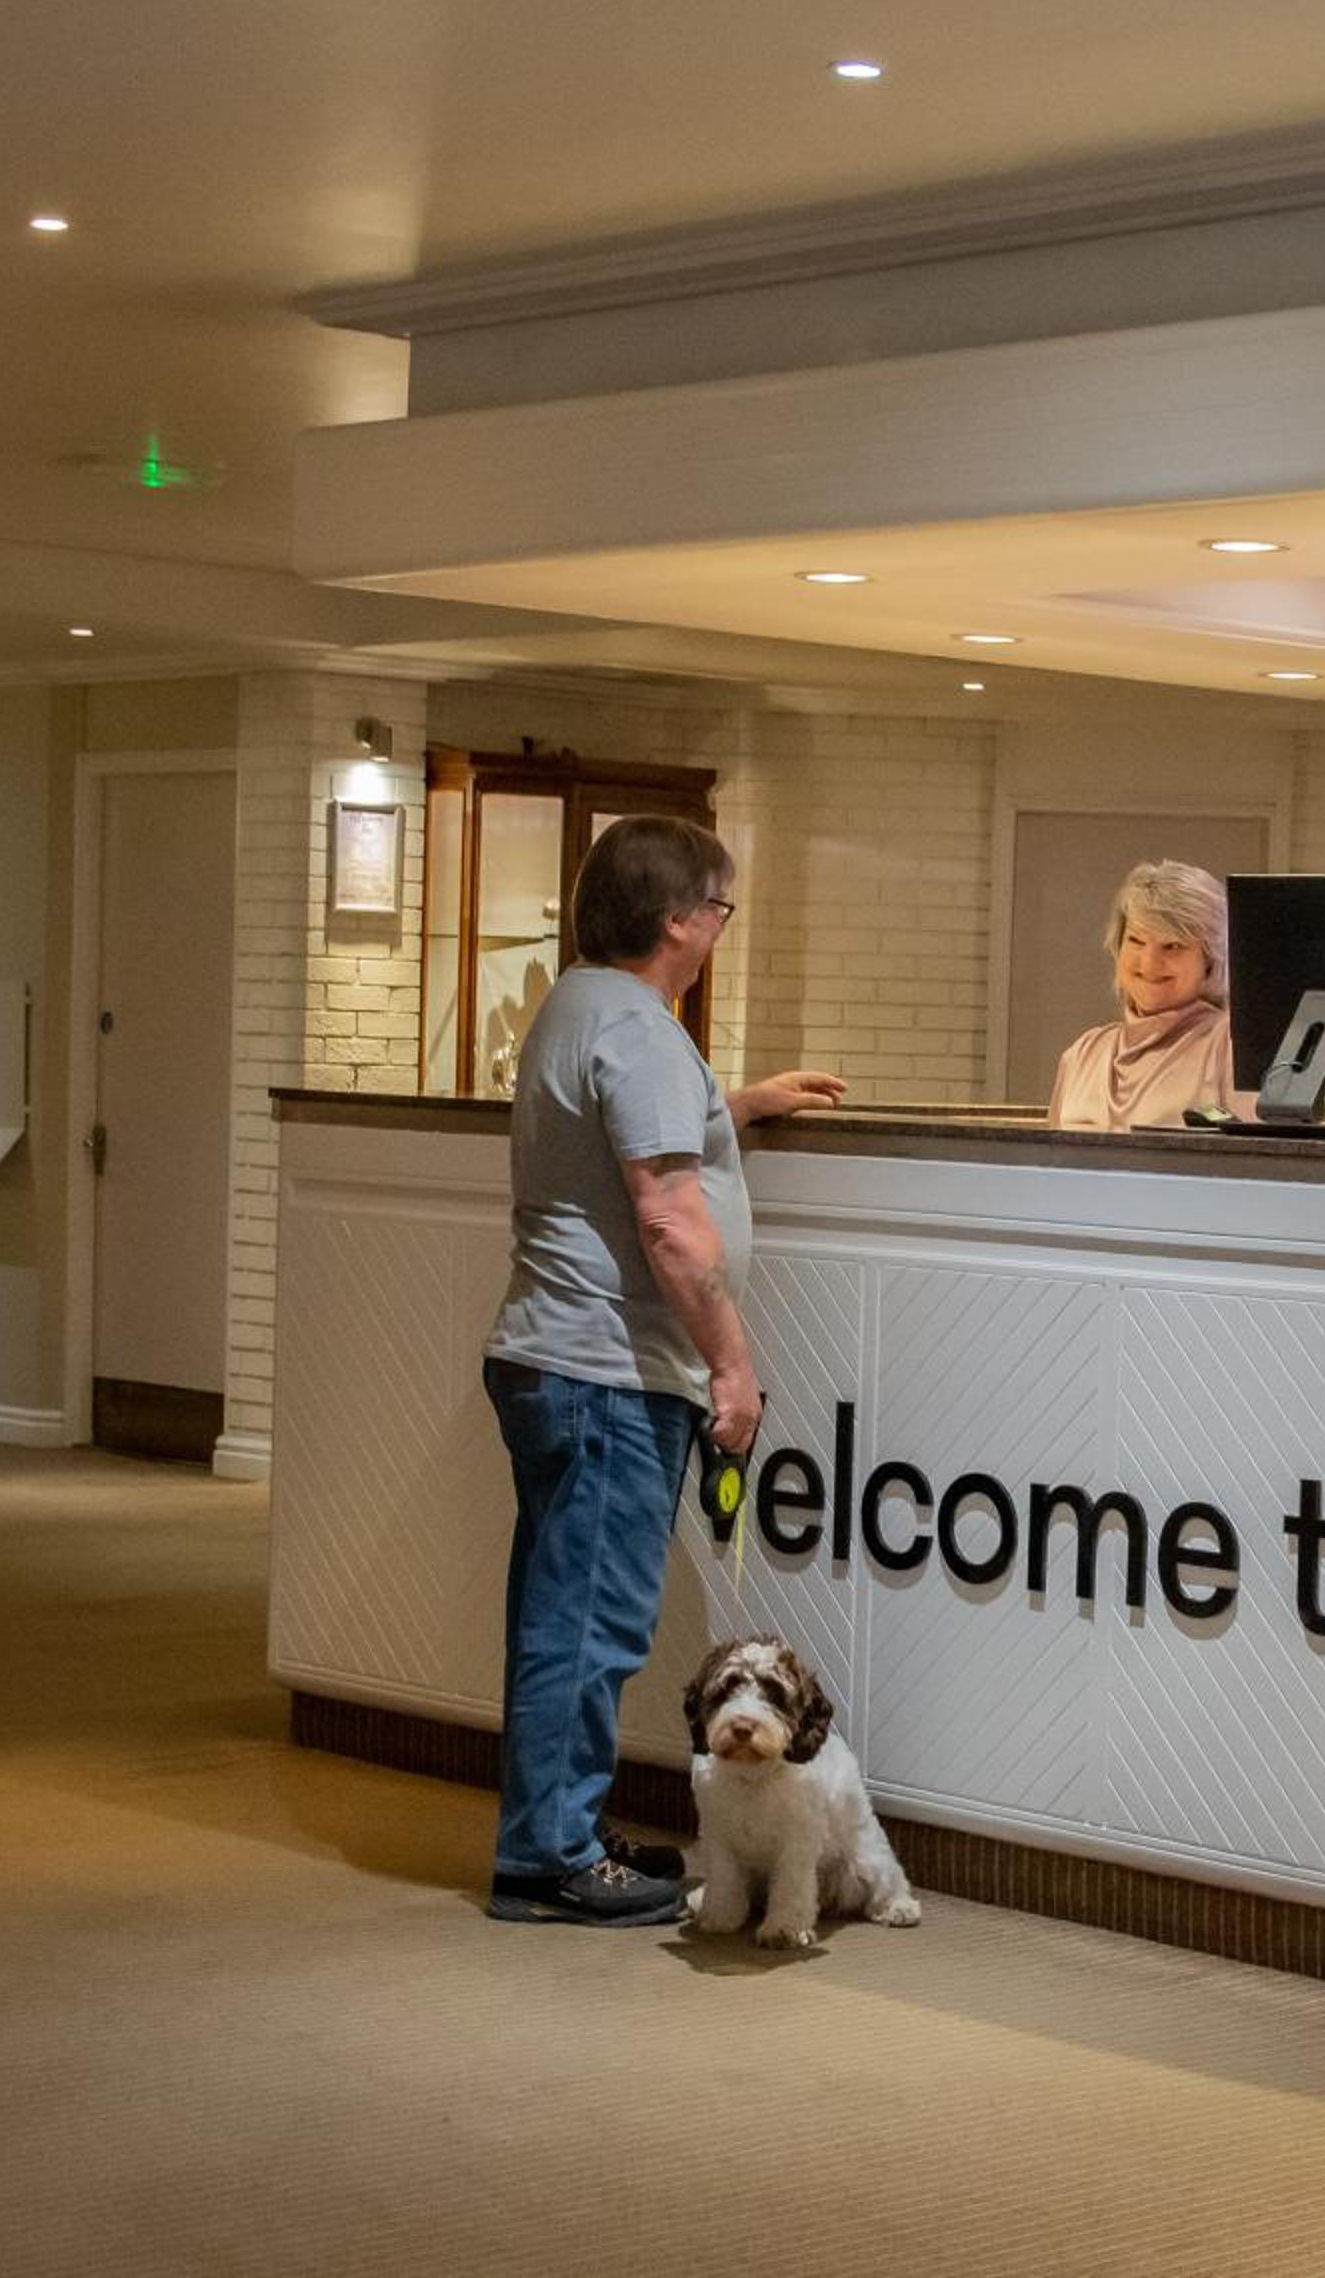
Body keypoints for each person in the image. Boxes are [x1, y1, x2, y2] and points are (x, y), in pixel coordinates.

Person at [480, 816, 846, 1926]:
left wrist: (738, 1109)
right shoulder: (638, 1027)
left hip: (556, 1357)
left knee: (559, 1615)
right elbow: (668, 1221)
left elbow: (622, 1138)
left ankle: (558, 1830)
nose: (721, 928)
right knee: (589, 1625)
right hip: (607, 1367)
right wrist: (732, 1367)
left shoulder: (580, 1004)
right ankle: (549, 1857)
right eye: (720, 908)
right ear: (681, 919)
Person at [1046, 859, 1245, 1131]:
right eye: (1136, 941)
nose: (1149, 963)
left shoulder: (1232, 1047)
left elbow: (1261, 1155)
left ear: (1211, 959)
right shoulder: (1082, 1054)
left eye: (1172, 946)